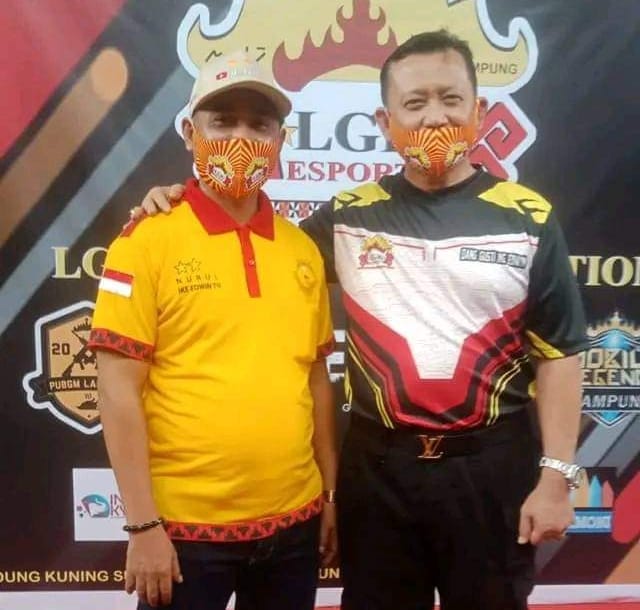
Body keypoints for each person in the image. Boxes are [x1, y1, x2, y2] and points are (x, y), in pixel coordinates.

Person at [134, 31, 588, 610]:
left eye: (450, 99)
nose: (434, 117)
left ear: (479, 110)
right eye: (414, 103)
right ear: (384, 121)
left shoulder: (529, 217)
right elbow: (260, 245)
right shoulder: (348, 215)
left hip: (491, 469)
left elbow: (560, 353)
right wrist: (181, 201)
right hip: (378, 469)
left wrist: (557, 477)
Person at [88, 50, 338, 610]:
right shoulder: (146, 240)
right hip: (183, 534)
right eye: (223, 121)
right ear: (189, 133)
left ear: (281, 140)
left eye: (260, 124)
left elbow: (316, 379)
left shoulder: (301, 250)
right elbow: (117, 389)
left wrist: (329, 494)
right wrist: (142, 526)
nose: (242, 138)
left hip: (294, 527)